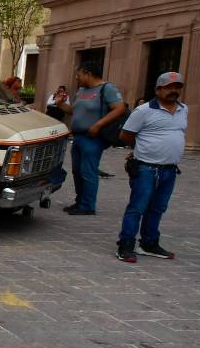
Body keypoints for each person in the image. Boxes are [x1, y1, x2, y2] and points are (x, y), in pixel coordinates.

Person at [115, 72, 187, 263]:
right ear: (158, 89)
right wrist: (141, 150)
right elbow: (126, 135)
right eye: (169, 87)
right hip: (146, 168)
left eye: (177, 87)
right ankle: (126, 245)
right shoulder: (143, 110)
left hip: (169, 169)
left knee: (158, 208)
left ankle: (149, 243)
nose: (174, 91)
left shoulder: (183, 109)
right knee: (137, 207)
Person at [57, 63, 126, 215]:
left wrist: (98, 125)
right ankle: (80, 201)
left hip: (93, 137)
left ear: (88, 74)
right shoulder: (81, 91)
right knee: (77, 170)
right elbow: (74, 111)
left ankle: (88, 206)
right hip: (78, 136)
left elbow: (120, 108)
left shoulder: (107, 89)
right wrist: (61, 104)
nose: (77, 78)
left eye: (79, 74)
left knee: (88, 171)